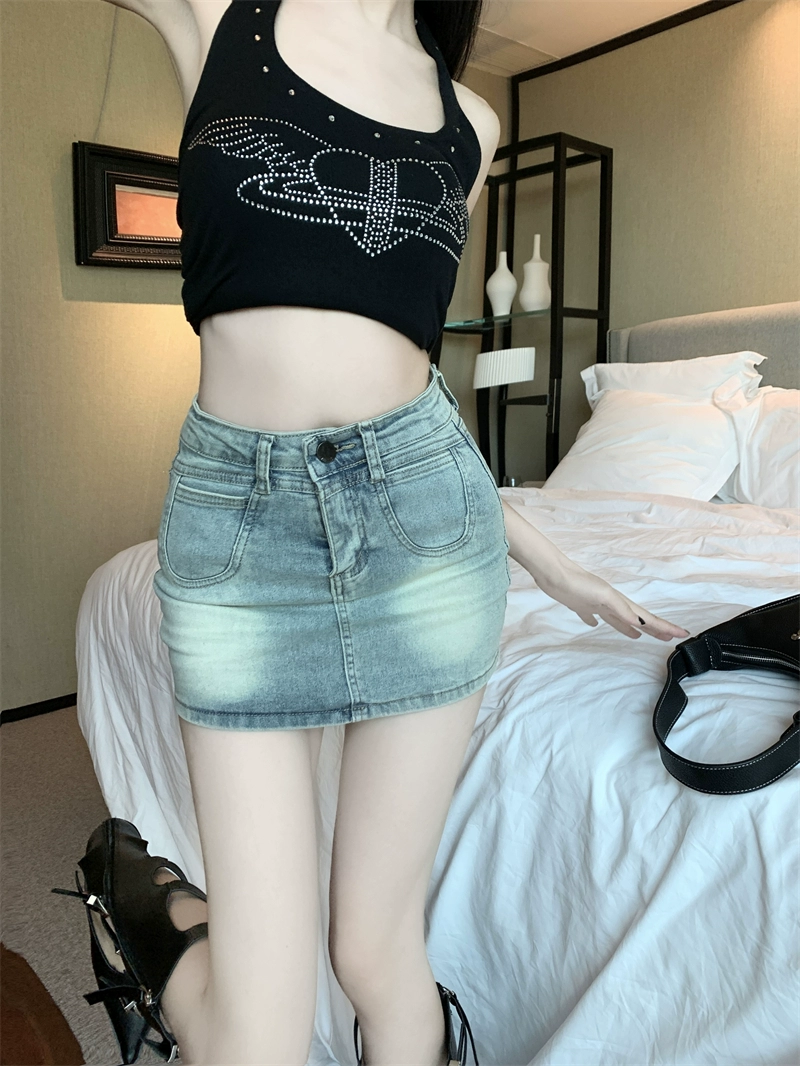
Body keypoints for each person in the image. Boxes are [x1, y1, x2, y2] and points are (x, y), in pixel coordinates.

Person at [57, 2, 690, 1065]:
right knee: (256, 1038)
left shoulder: (472, 122)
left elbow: (408, 381)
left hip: (428, 527)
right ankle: (150, 915)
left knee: (373, 950)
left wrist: (547, 555)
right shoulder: (219, 14)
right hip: (238, 534)